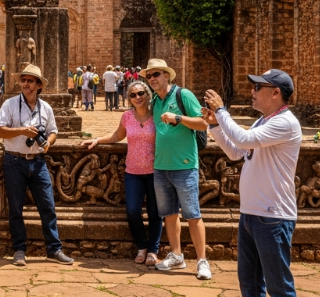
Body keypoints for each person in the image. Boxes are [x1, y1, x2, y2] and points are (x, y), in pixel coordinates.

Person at [202, 70, 300, 297]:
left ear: (275, 92)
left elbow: (243, 139)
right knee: (250, 285)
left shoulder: (286, 122)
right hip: (251, 213)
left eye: (257, 87)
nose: (252, 92)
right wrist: (215, 125)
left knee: (279, 288)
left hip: (272, 216)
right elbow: (236, 152)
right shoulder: (263, 121)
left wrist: (221, 111)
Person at [0, 64, 73, 266]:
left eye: (30, 81)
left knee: (48, 206)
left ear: (39, 85)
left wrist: (48, 143)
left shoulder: (45, 108)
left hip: (38, 161)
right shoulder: (10, 104)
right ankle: (19, 250)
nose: (26, 84)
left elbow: (53, 131)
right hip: (14, 160)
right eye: (23, 80)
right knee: (15, 208)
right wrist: (22, 131)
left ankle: (54, 249)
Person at [142, 58, 211, 280]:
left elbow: (203, 123)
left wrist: (178, 118)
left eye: (156, 74)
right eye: (149, 75)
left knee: (192, 215)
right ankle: (177, 255)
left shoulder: (183, 95)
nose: (152, 78)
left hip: (184, 165)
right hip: (161, 167)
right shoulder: (155, 101)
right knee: (169, 215)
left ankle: (202, 260)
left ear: (167, 76)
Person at [82, 80, 161, 266]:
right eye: (133, 95)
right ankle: (141, 246)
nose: (137, 97)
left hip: (156, 171)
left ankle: (153, 249)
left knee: (155, 212)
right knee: (132, 211)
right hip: (133, 171)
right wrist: (97, 140)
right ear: (129, 98)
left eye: (140, 93)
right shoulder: (127, 117)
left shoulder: (157, 115)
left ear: (147, 94)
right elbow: (118, 135)